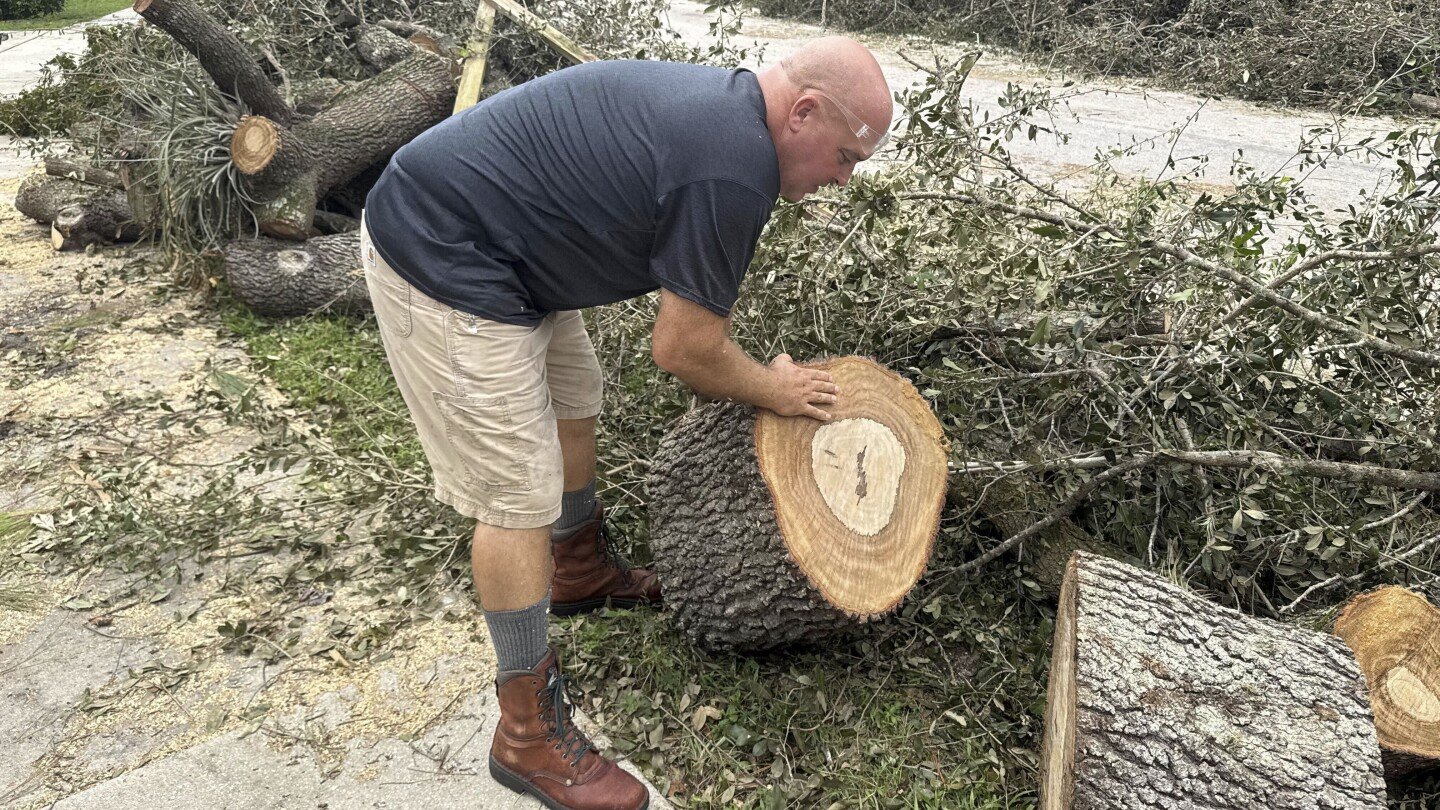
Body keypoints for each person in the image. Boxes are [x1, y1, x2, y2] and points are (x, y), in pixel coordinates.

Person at [359, 35, 892, 810]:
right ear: (803, 112)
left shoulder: (730, 120)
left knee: (576, 393)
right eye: (845, 157)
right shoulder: (732, 164)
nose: (842, 179)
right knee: (517, 495)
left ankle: (577, 567)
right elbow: (684, 348)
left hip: (509, 249)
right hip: (443, 247)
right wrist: (773, 389)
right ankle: (525, 732)